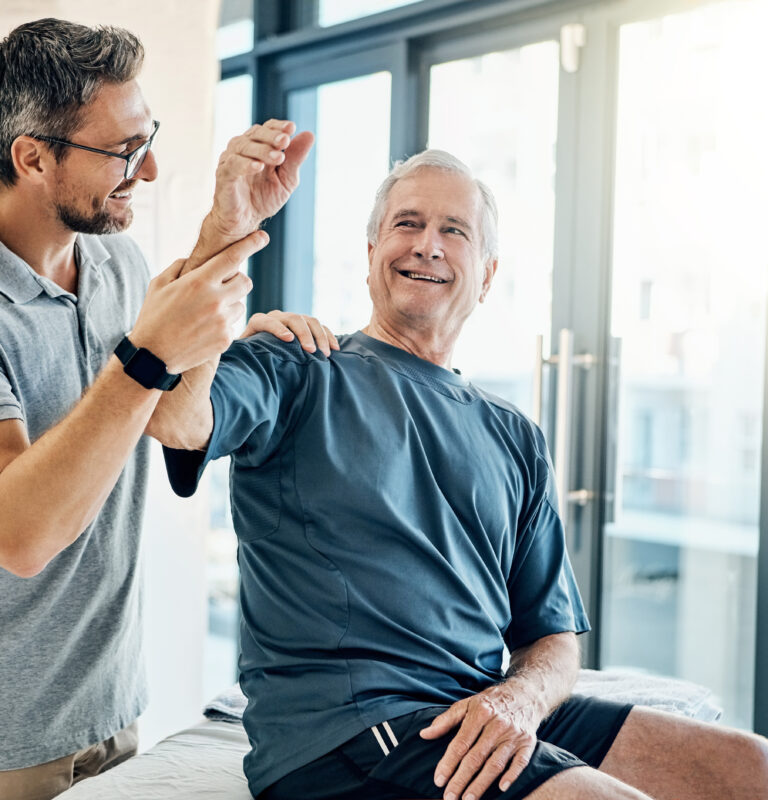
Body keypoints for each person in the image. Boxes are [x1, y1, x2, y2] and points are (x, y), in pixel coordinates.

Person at [151, 145, 768, 800]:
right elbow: (175, 418)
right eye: (407, 224)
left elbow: (552, 641)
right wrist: (223, 239)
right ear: (370, 256)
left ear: (488, 273)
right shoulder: (296, 363)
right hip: (345, 735)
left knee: (749, 766)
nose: (428, 245)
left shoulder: (514, 436)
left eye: (454, 231)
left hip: (476, 711)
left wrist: (520, 704)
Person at [0, 18, 325, 800]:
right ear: (32, 156)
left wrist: (229, 224)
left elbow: (174, 418)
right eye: (122, 151)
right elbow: (21, 532)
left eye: (147, 141)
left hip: (112, 704)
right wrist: (147, 356)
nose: (145, 175)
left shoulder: (117, 261)